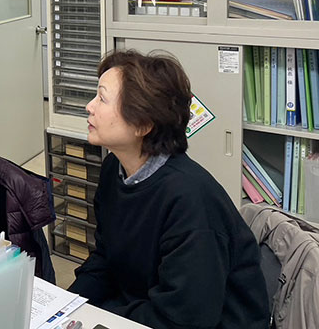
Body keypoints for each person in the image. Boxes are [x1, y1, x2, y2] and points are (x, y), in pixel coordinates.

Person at [69, 50, 269, 329]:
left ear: (143, 124)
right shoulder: (114, 169)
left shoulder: (190, 200)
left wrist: (103, 317)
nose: (89, 106)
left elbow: (185, 320)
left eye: (102, 98)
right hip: (144, 310)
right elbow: (105, 259)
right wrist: (66, 306)